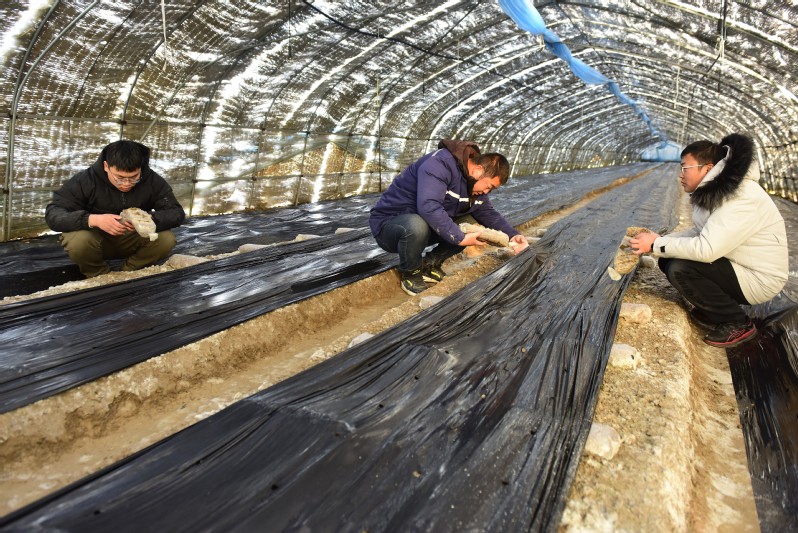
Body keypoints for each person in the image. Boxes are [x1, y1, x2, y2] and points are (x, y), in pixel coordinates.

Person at [630, 133, 788, 348]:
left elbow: (707, 249)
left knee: (680, 268)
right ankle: (713, 309)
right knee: (668, 259)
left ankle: (737, 322)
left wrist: (655, 244)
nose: (680, 175)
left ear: (707, 168)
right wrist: (660, 240)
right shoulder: (719, 190)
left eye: (685, 168)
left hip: (758, 277)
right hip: (738, 263)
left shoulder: (740, 197)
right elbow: (699, 232)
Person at [369, 139, 529, 295]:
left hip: (426, 226)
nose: (487, 192)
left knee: (471, 226)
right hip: (392, 226)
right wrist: (459, 237)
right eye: (489, 186)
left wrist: (513, 235)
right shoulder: (439, 164)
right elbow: (429, 207)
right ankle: (411, 273)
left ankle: (429, 264)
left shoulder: (473, 183)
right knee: (416, 225)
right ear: (478, 170)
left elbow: (487, 212)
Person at [45, 140, 186, 277]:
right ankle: (99, 276)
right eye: (120, 178)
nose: (127, 183)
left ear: (141, 167)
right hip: (96, 241)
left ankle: (128, 272)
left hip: (132, 239)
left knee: (166, 238)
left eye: (134, 177)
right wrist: (93, 220)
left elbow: (176, 212)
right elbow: (54, 214)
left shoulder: (152, 180)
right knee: (78, 240)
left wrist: (149, 219)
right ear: (106, 166)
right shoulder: (84, 180)